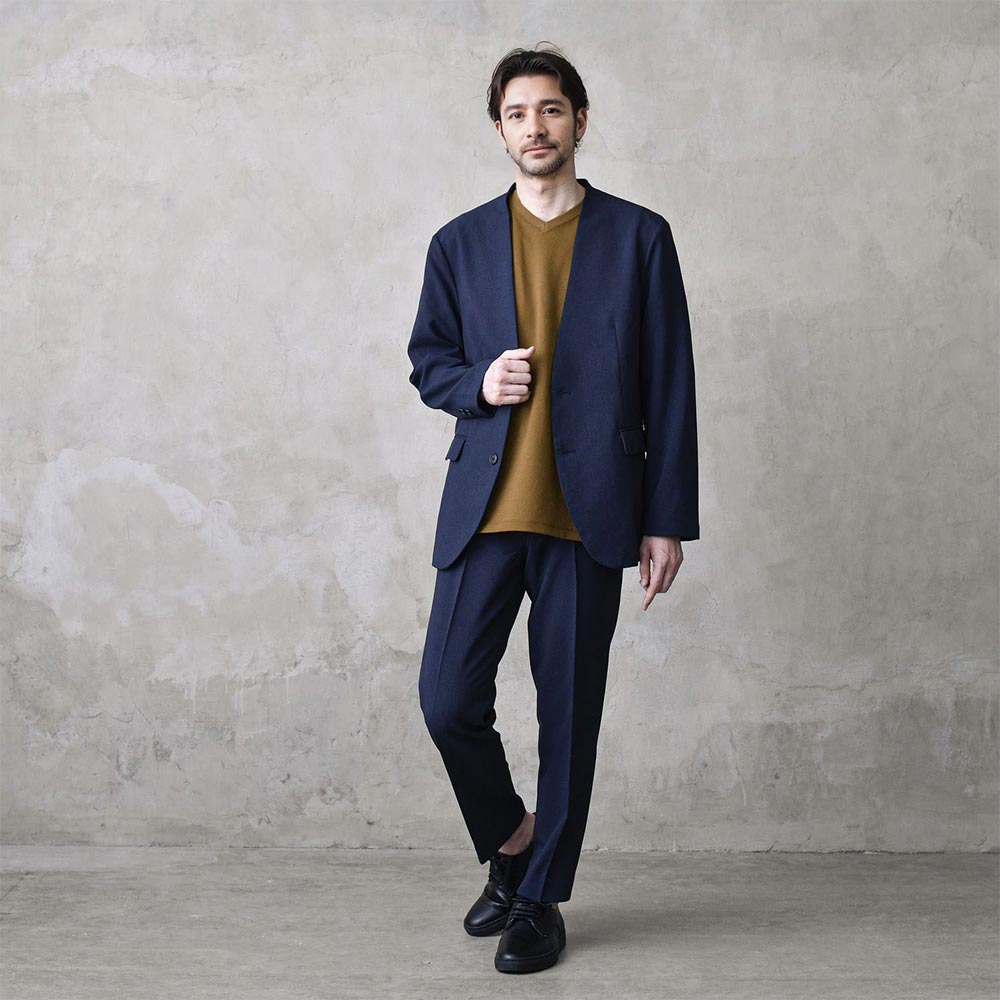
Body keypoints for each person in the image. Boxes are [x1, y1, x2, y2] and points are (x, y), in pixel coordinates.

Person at [406, 44, 699, 975]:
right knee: (448, 698)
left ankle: (540, 900)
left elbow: (670, 382)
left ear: (580, 120)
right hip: (487, 507)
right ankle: (513, 843)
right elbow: (428, 362)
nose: (535, 127)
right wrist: (476, 383)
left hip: (591, 512)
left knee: (569, 718)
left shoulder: (639, 237)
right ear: (499, 130)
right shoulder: (458, 244)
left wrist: (666, 517)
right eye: (517, 113)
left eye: (551, 110)